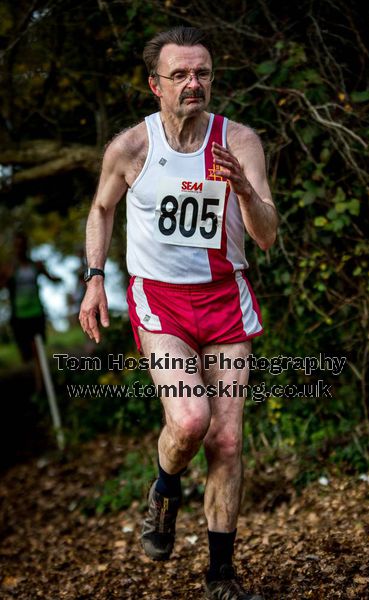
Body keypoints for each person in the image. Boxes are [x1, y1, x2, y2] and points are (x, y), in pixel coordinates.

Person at [79, 26, 278, 600]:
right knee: (191, 421)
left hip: (225, 299)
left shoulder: (239, 141)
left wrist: (244, 189)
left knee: (229, 442)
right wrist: (95, 280)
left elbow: (266, 237)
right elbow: (100, 210)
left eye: (204, 73)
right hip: (160, 301)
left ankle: (221, 576)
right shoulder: (130, 148)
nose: (195, 84)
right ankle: (165, 489)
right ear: (154, 85)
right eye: (181, 75)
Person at [0, 231, 61, 392]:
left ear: (27, 246)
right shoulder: (9, 268)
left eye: (23, 245)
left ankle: (41, 387)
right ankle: (32, 383)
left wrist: (63, 278)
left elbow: (52, 278)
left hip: (36, 313)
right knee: (26, 355)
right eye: (17, 245)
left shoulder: (36, 266)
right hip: (19, 317)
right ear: (14, 247)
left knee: (37, 351)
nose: (20, 248)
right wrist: (7, 279)